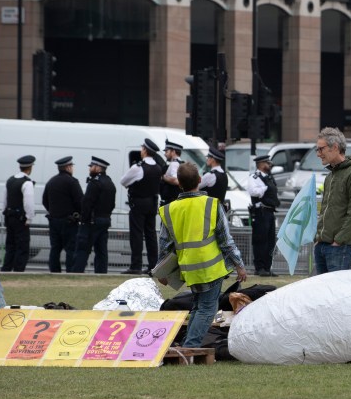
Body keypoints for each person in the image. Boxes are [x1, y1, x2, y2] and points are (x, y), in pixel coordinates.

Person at [156, 163, 247, 348]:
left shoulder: (169, 209)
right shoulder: (212, 205)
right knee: (207, 308)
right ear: (199, 180)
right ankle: (190, 346)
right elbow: (225, 240)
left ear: (179, 184)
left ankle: (188, 343)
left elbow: (164, 244)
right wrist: (239, 264)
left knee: (199, 306)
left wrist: (161, 272)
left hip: (188, 268)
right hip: (211, 266)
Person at [313, 127, 351, 273]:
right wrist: (318, 238)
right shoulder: (330, 176)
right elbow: (325, 210)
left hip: (339, 247)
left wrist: (340, 240)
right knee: (322, 293)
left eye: (320, 149)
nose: (318, 154)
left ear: (335, 147)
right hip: (322, 245)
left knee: (336, 294)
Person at [120, 138, 162, 274]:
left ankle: (136, 265)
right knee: (150, 234)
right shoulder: (158, 168)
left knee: (137, 234)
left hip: (139, 203)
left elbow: (123, 181)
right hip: (152, 203)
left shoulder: (138, 167)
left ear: (144, 151)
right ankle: (153, 265)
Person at [72, 156, 116, 274]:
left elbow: (87, 204)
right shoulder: (110, 183)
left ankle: (76, 273)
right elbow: (112, 204)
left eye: (91, 166)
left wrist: (83, 220)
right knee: (101, 251)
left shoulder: (94, 183)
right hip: (105, 220)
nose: (90, 168)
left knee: (82, 249)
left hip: (92, 222)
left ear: (97, 168)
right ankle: (101, 274)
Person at [42, 156, 84, 273]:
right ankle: (70, 271)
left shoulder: (51, 181)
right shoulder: (72, 182)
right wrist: (78, 214)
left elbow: (45, 200)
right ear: (68, 167)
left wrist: (53, 212)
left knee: (55, 248)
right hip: (69, 222)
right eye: (72, 166)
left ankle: (54, 271)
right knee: (71, 249)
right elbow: (80, 201)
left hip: (54, 220)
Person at [246, 154, 280, 276]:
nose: (269, 165)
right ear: (260, 164)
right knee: (260, 241)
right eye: (267, 163)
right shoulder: (255, 177)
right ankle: (259, 268)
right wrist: (265, 188)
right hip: (261, 212)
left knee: (270, 241)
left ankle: (267, 267)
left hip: (270, 212)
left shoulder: (269, 177)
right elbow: (253, 191)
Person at [1, 155, 36, 272]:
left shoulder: (10, 180)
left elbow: (4, 200)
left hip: (9, 217)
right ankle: (18, 270)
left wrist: (4, 214)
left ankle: (6, 269)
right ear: (30, 167)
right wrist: (29, 218)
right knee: (22, 246)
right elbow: (28, 204)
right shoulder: (27, 183)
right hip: (21, 219)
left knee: (10, 246)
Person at [160, 140, 184, 205]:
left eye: (167, 151)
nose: (165, 154)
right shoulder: (182, 163)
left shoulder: (174, 164)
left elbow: (176, 181)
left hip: (172, 201)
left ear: (173, 152)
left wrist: (164, 177)